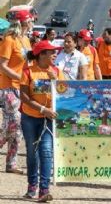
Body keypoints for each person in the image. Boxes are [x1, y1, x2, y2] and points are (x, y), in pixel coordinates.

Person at [20, 40, 64, 202]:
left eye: (55, 52)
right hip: (30, 118)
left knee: (46, 152)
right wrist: (42, 109)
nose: (55, 54)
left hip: (48, 119)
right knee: (32, 153)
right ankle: (32, 185)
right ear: (41, 55)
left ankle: (43, 190)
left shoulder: (57, 72)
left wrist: (56, 82)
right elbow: (24, 96)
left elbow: (65, 95)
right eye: (51, 52)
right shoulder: (28, 72)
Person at [0, 22, 26, 174]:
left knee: (17, 127)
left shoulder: (25, 40)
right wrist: (19, 77)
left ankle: (11, 163)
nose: (33, 21)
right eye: (30, 19)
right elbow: (2, 65)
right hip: (8, 86)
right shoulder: (9, 39)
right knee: (14, 121)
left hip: (20, 87)